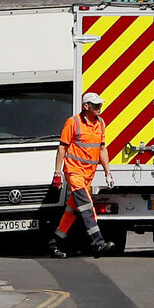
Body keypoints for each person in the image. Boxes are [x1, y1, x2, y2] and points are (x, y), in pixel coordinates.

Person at [50, 92, 116, 258]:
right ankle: (98, 242)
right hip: (74, 172)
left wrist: (108, 172)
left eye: (100, 105)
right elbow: (62, 148)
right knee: (87, 207)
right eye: (95, 105)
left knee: (72, 211)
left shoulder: (100, 123)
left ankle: (55, 243)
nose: (99, 108)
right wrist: (58, 173)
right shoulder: (73, 123)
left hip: (88, 175)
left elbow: (102, 149)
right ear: (86, 106)